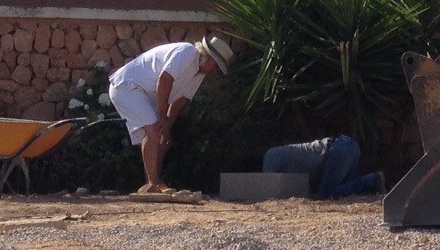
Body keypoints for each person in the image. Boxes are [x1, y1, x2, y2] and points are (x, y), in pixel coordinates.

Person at [107, 36, 233, 193]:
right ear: (209, 58)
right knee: (153, 129)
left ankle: (151, 184)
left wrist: (167, 126)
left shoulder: (199, 73)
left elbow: (182, 100)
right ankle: (154, 184)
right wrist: (161, 115)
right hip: (127, 86)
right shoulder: (186, 52)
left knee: (161, 137)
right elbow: (164, 80)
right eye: (216, 66)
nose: (215, 71)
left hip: (145, 94)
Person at [261, 135, 383, 199]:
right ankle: (375, 186)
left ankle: (372, 180)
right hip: (350, 145)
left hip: (336, 149)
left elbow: (267, 185)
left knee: (327, 196)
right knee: (343, 191)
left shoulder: (271, 154)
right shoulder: (283, 152)